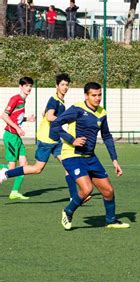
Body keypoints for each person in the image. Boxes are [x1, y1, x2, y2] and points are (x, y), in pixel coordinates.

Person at [51, 82, 129, 230]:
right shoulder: (77, 109)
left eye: (100, 95)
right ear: (86, 95)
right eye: (94, 95)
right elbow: (55, 125)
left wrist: (114, 159)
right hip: (72, 156)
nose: (98, 98)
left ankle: (111, 220)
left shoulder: (102, 113)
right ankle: (67, 211)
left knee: (108, 191)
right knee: (87, 189)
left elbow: (106, 136)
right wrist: (72, 140)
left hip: (90, 157)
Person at [0, 74, 84, 204]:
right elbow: (50, 116)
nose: (65, 87)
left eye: (67, 85)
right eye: (62, 84)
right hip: (44, 139)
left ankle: (74, 197)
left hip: (55, 140)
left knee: (68, 164)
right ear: (56, 86)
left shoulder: (59, 101)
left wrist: (28, 119)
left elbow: (45, 114)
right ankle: (5, 173)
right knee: (36, 169)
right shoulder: (53, 100)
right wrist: (66, 119)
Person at [0, 77, 36, 200]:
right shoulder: (15, 99)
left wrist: (27, 119)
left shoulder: (23, 100)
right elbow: (4, 116)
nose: (29, 88)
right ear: (20, 86)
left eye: (30, 86)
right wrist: (18, 129)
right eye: (26, 86)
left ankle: (14, 192)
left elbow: (16, 117)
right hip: (11, 136)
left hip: (17, 137)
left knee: (24, 164)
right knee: (11, 169)